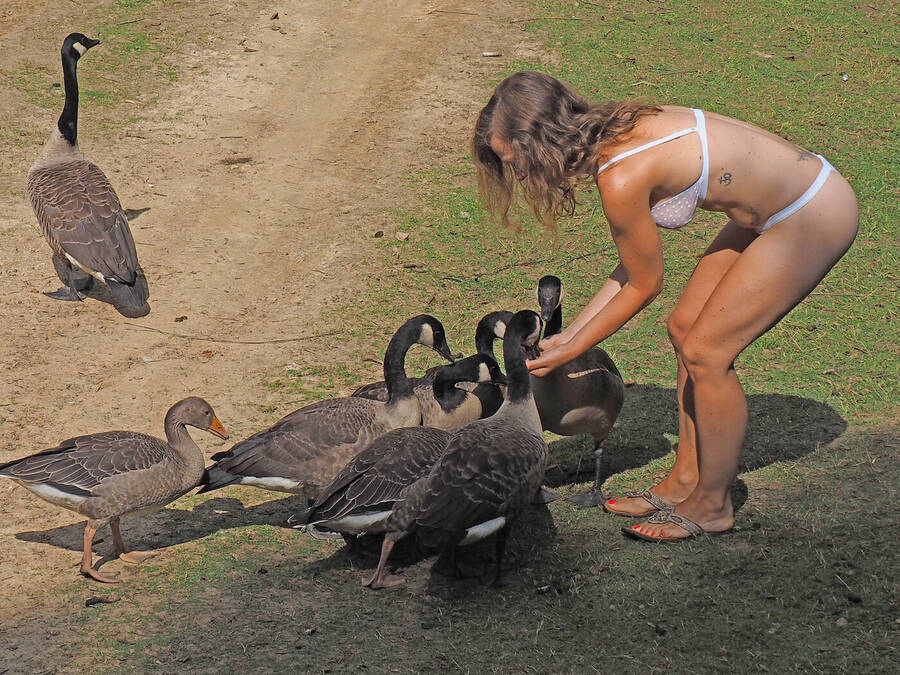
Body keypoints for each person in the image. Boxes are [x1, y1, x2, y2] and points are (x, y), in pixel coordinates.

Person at [471, 71, 858, 542]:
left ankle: (713, 505)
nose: (520, 175)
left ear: (539, 141)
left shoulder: (622, 172)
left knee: (706, 352)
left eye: (517, 161)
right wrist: (567, 337)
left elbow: (644, 283)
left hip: (812, 212)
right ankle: (685, 483)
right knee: (685, 328)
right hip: (777, 204)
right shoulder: (608, 129)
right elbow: (627, 271)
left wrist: (571, 351)